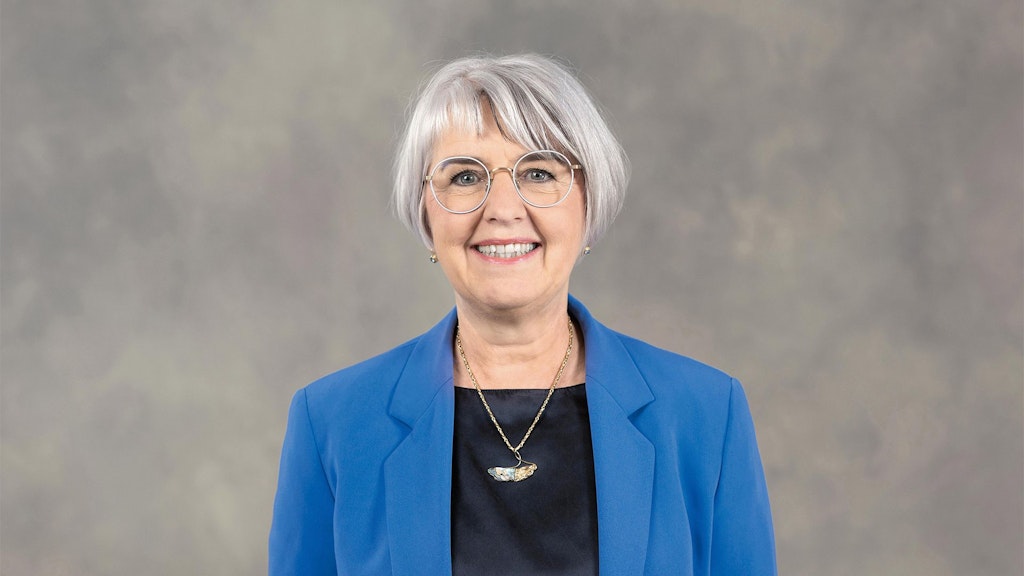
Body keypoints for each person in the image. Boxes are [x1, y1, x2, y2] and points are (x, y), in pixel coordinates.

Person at [269, 53, 776, 575]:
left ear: (588, 199)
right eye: (464, 177)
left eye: (538, 172)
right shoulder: (332, 421)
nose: (503, 209)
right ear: (425, 210)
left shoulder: (706, 414)